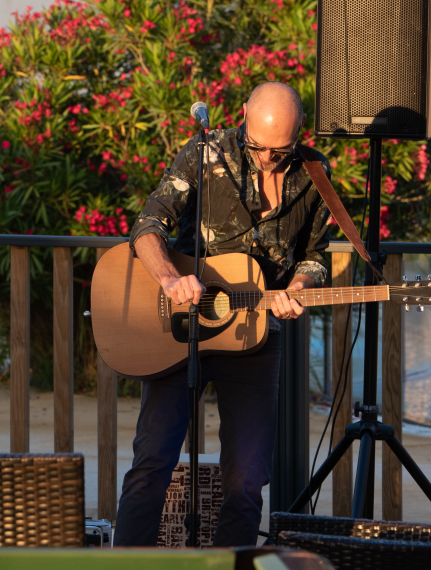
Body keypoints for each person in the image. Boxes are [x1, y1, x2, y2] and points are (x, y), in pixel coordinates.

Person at [112, 81, 332, 547]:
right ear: (244, 115)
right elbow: (148, 226)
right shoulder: (204, 152)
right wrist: (171, 279)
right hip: (181, 329)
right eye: (260, 147)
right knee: (152, 463)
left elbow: (316, 255)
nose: (269, 158)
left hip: (254, 335)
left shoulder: (314, 172)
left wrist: (299, 287)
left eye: (282, 149)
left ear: (298, 134)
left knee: (247, 480)